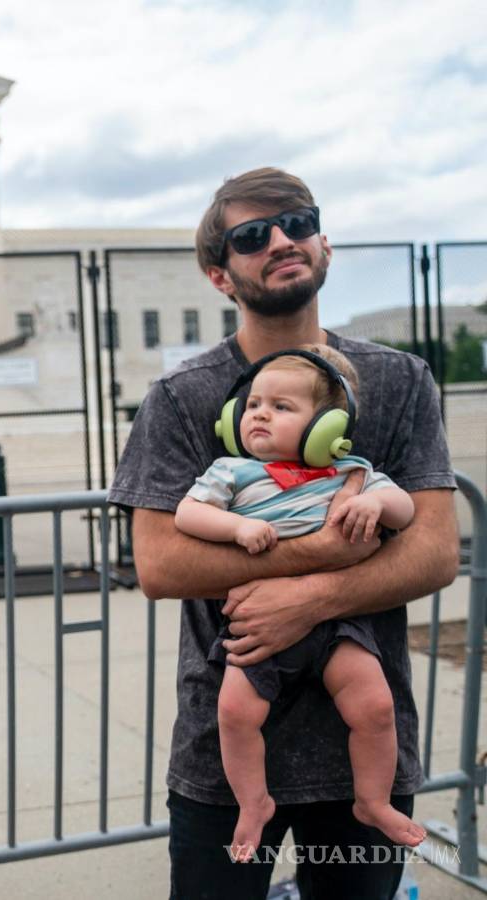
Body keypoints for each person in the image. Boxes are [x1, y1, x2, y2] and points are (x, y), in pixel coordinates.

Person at [107, 167, 459, 899]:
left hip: (363, 748)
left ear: (324, 243)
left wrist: (311, 597)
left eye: (298, 222)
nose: (281, 240)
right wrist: (333, 549)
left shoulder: (400, 381)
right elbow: (161, 563)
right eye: (251, 235)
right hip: (225, 752)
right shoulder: (181, 398)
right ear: (219, 274)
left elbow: (433, 549)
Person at [174, 344, 424, 860]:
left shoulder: (350, 470)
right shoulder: (233, 471)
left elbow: (404, 511)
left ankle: (373, 800)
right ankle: (253, 802)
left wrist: (374, 500)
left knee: (375, 708)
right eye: (254, 404)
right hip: (258, 627)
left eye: (282, 407)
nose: (260, 413)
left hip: (337, 625)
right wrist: (238, 525)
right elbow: (188, 514)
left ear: (328, 428)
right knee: (235, 712)